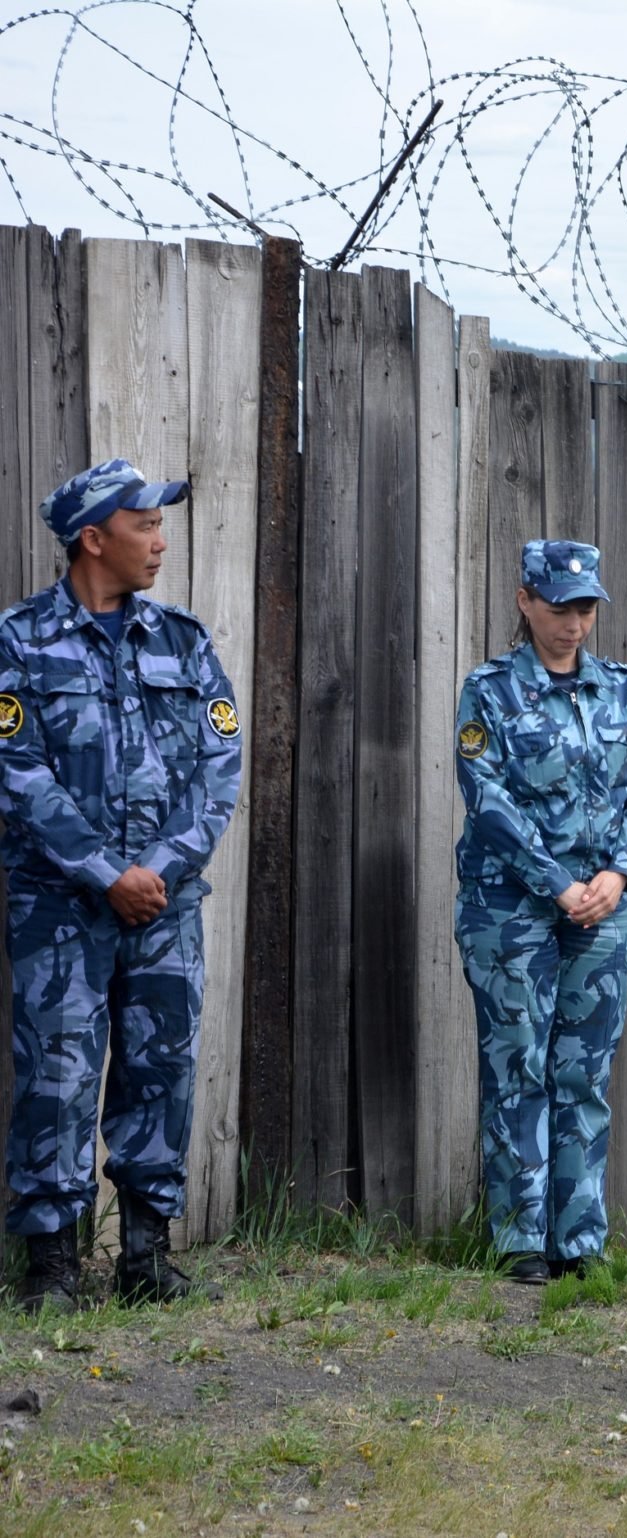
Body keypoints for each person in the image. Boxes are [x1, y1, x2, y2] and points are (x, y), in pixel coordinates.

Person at [0, 459, 243, 1313]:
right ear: (94, 539)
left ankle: (146, 1255)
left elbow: (221, 768)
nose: (160, 539)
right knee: (56, 1077)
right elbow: (17, 772)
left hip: (165, 909)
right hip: (59, 908)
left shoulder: (183, 640)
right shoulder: (19, 640)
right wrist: (108, 874)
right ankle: (53, 1268)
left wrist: (161, 871)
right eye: (145, 524)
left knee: (161, 1072)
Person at [454, 540, 627, 1285]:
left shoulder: (623, 692)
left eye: (585, 609)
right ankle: (520, 1239)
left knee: (583, 1076)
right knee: (519, 1069)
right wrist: (556, 883)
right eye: (558, 607)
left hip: (602, 909)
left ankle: (579, 1240)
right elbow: (488, 799)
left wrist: (619, 874)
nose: (573, 624)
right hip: (511, 909)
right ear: (525, 602)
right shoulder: (488, 693)